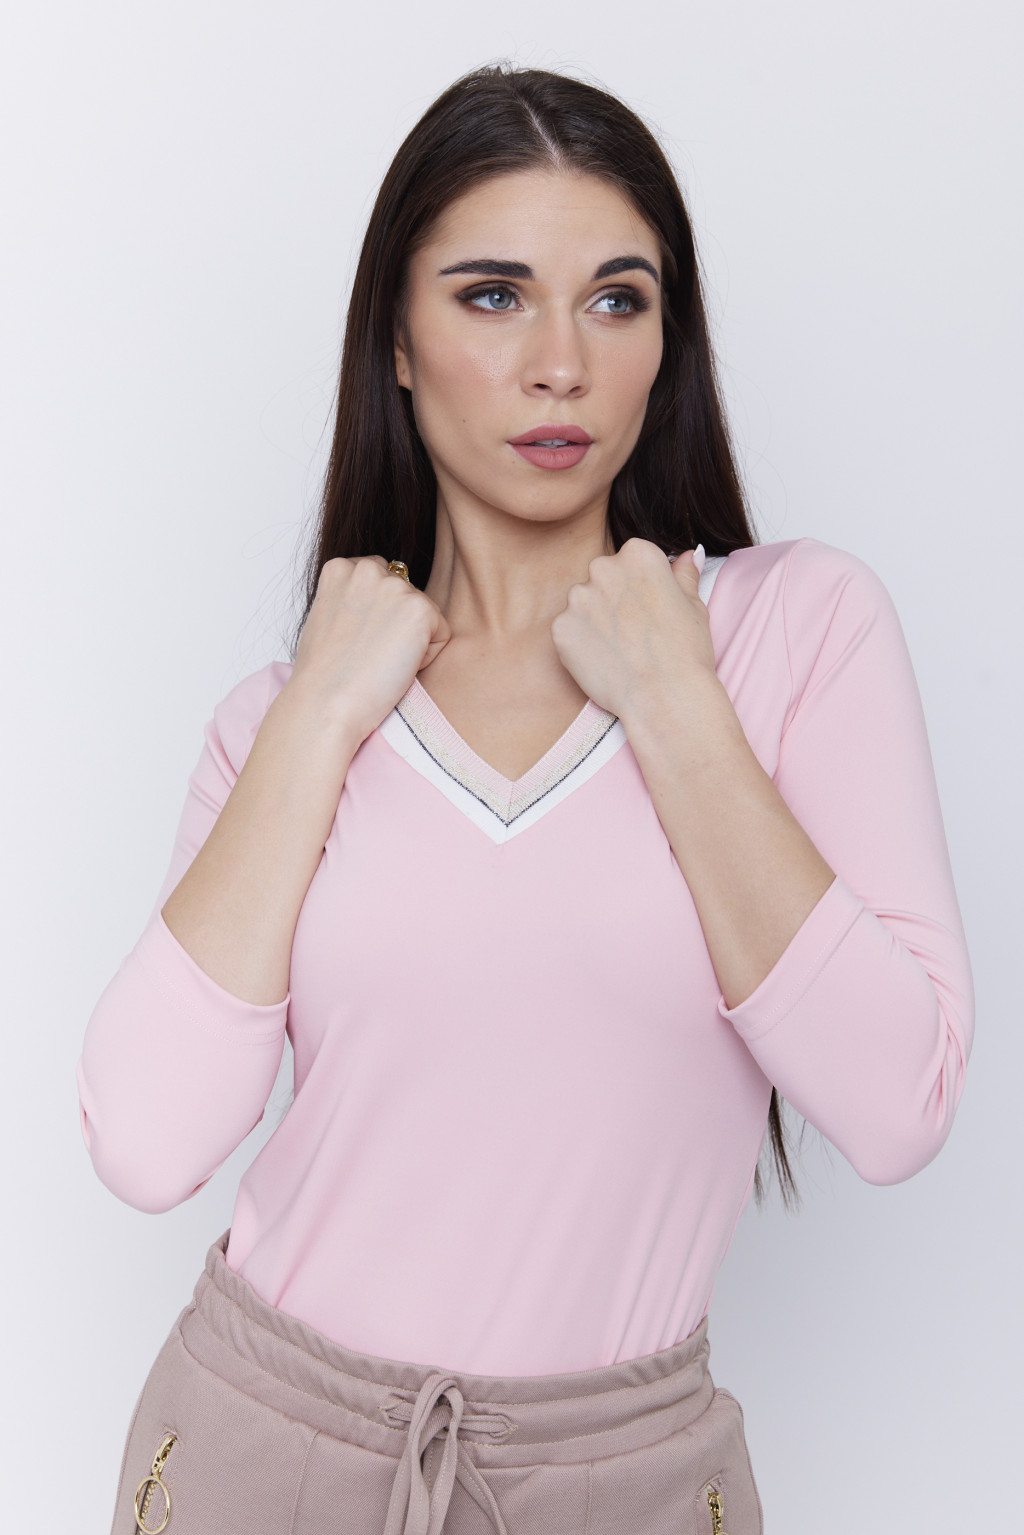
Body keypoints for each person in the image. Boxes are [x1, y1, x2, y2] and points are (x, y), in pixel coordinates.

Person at [76, 63, 974, 1535]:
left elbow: (898, 1104)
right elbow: (146, 1140)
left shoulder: (792, 637)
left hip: (625, 1473)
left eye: (617, 300)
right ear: (398, 342)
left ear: (667, 340)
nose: (562, 363)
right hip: (265, 1449)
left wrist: (677, 707)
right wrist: (320, 714)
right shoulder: (285, 724)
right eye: (494, 296)